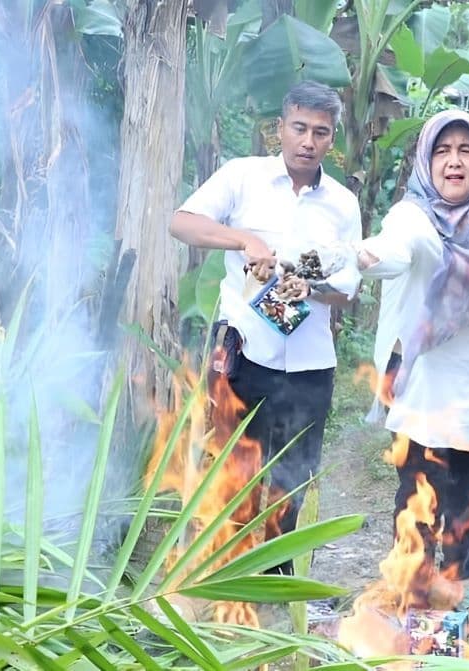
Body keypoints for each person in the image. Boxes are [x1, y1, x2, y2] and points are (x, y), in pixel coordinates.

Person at [170, 80, 362, 573]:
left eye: (320, 132)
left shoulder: (343, 204)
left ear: (332, 138)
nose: (308, 141)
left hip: (310, 363)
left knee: (292, 477)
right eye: (299, 128)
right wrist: (243, 240)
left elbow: (348, 289)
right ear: (280, 128)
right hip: (246, 355)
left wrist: (310, 288)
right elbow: (182, 223)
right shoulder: (243, 177)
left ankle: (275, 576)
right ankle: (224, 571)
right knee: (234, 467)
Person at [356, 109, 469, 620]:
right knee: (419, 484)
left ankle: (459, 580)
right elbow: (398, 249)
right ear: (427, 160)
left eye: (465, 150)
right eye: (442, 151)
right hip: (426, 378)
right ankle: (412, 579)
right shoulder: (412, 215)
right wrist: (370, 256)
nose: (454, 161)